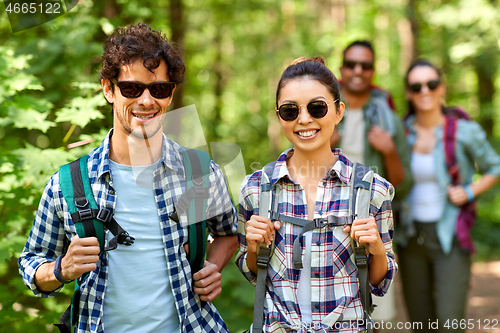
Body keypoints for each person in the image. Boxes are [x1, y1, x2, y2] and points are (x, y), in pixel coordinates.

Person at [18, 23, 238, 333]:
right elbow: (31, 260)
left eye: (158, 88)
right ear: (109, 89)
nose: (147, 101)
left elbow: (229, 234)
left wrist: (211, 268)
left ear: (171, 94)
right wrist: (61, 269)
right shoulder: (68, 183)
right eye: (132, 88)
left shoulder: (200, 172)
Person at [236, 57, 397, 332]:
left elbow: (379, 282)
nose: (304, 119)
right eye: (290, 110)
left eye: (317, 107)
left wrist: (378, 250)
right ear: (279, 117)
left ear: (338, 112)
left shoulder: (373, 190)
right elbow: (252, 270)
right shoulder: (256, 189)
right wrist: (253, 247)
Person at [398, 59, 500, 332]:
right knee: (421, 324)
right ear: (408, 92)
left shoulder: (463, 131)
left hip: (451, 237)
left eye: (431, 84)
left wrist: (469, 191)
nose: (424, 91)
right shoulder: (401, 132)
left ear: (442, 87)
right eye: (416, 86)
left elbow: (495, 166)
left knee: (449, 323)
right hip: (409, 238)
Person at [332, 40, 412, 325]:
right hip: (327, 225)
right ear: (341, 69)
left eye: (365, 65)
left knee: (376, 315)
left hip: (373, 228)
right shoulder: (322, 115)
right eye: (351, 64)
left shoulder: (387, 119)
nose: (358, 71)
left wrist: (389, 150)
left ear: (372, 71)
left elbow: (403, 184)